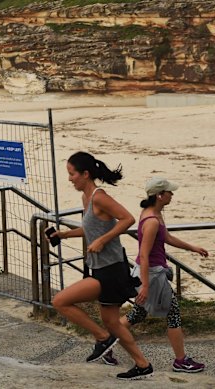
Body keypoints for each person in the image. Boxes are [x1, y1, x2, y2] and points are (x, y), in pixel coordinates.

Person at [49, 151, 153, 380]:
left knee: (60, 301)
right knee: (114, 323)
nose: (70, 179)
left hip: (111, 270)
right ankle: (142, 364)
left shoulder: (99, 196)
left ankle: (101, 338)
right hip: (100, 268)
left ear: (85, 174)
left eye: (72, 174)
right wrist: (64, 234)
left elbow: (128, 218)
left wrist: (103, 240)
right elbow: (92, 229)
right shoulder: (86, 199)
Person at [106, 177, 207, 373]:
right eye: (169, 192)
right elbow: (143, 254)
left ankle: (105, 342)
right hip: (151, 274)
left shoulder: (154, 214)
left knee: (138, 314)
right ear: (160, 195)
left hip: (149, 272)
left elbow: (167, 238)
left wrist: (192, 248)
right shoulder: (152, 220)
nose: (172, 194)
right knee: (173, 313)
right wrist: (144, 285)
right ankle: (181, 360)